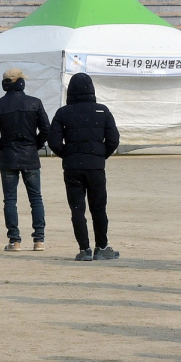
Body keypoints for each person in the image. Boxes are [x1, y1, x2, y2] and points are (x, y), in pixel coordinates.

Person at [48, 73, 121, 261]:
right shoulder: (102, 111)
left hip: (72, 167)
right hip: (96, 166)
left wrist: (68, 154)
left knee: (77, 209)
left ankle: (84, 249)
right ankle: (102, 247)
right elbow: (113, 139)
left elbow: (54, 141)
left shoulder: (62, 113)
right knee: (99, 208)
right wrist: (100, 155)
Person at [0, 68, 49, 251]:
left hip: (8, 156)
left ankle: (15, 240)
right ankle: (39, 240)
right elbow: (46, 129)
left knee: (10, 199)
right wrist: (35, 144)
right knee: (36, 198)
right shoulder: (35, 103)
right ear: (21, 82)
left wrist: (1, 146)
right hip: (30, 155)